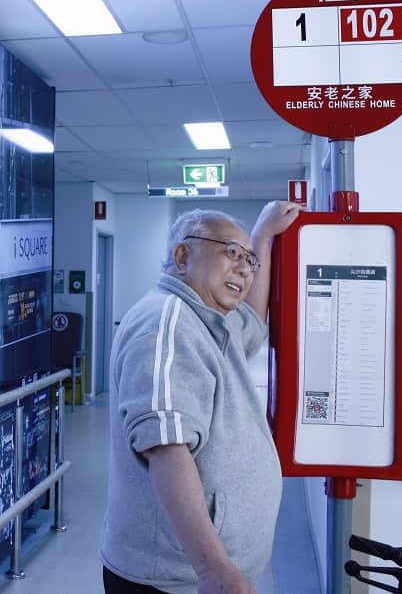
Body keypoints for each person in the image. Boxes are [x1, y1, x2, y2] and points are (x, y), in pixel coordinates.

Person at [100, 202, 302, 594]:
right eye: (231, 253)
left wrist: (262, 235)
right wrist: (213, 569)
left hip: (191, 575)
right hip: (174, 580)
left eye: (249, 260)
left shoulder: (208, 319)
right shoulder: (167, 325)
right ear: (182, 256)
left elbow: (253, 327)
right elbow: (167, 449)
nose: (245, 268)